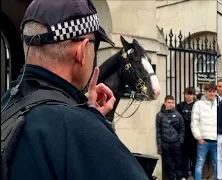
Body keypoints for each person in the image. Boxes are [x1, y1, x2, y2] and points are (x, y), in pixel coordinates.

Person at [1, 0, 150, 180]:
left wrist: (81, 110)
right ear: (81, 51)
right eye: (96, 45)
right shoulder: (77, 127)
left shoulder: (7, 103)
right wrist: (89, 123)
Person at [191, 81, 218, 180]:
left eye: (214, 91)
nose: (212, 93)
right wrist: (198, 137)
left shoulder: (218, 104)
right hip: (203, 140)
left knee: (217, 164)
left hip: (216, 140)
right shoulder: (198, 104)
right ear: (205, 92)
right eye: (210, 91)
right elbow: (194, 122)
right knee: (200, 163)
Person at [156, 95, 185, 180]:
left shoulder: (178, 115)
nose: (171, 104)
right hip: (165, 143)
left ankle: (179, 178)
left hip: (176, 142)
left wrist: (180, 140)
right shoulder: (160, 115)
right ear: (165, 103)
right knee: (168, 164)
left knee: (178, 163)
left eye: (172, 103)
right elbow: (158, 130)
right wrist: (159, 143)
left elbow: (182, 129)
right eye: (169, 102)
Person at [176, 87, 197, 179]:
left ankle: (195, 173)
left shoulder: (197, 105)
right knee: (183, 157)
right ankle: (184, 175)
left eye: (190, 94)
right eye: (187, 94)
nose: (188, 96)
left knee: (194, 157)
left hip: (194, 136)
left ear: (194, 95)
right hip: (183, 135)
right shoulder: (180, 106)